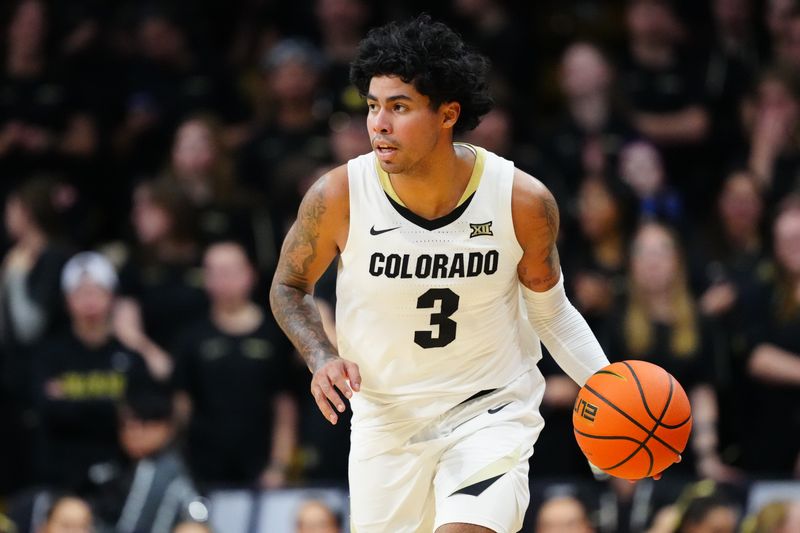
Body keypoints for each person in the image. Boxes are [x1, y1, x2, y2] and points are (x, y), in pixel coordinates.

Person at [270, 15, 653, 533]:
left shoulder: (521, 200)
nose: (378, 124)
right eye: (372, 106)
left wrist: (609, 392)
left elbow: (551, 310)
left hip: (489, 411)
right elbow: (289, 286)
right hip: (386, 421)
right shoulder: (338, 196)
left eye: (399, 107)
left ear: (447, 114)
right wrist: (321, 356)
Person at [173, 241, 297, 490]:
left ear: (250, 274)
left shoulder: (275, 334)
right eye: (214, 272)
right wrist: (180, 463)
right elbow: (181, 407)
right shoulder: (191, 338)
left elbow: (285, 406)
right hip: (204, 466)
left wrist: (279, 464)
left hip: (260, 463)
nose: (222, 280)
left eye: (229, 271)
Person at [32, 251, 152, 490]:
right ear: (67, 300)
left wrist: (71, 403)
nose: (89, 301)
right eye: (80, 292)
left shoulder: (130, 355)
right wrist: (111, 408)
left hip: (122, 475)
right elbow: (44, 410)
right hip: (60, 474)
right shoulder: (48, 354)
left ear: (112, 297)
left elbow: (144, 414)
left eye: (96, 291)